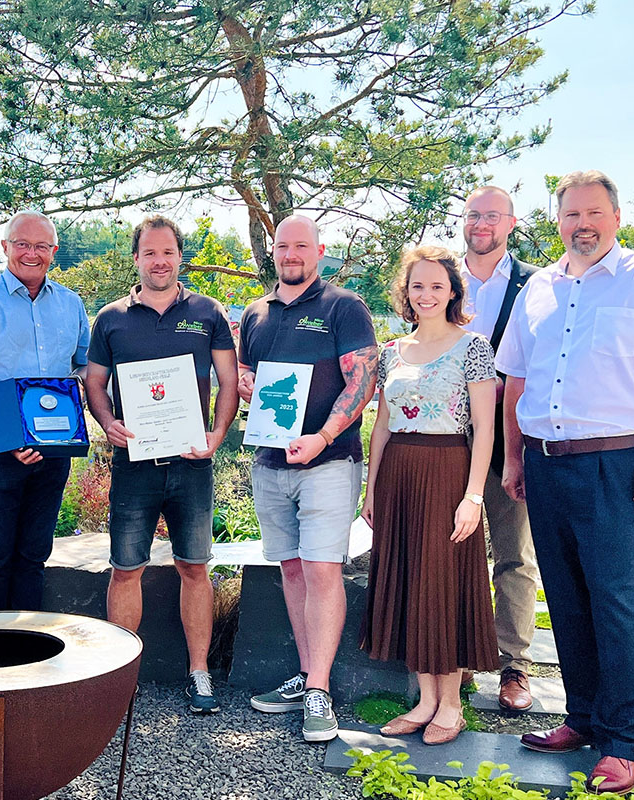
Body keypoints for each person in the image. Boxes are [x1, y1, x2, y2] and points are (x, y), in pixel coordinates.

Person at [497, 171, 634, 794]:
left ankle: (624, 741)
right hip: (545, 462)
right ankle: (583, 718)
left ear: (616, 216)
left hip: (618, 466)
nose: (581, 224)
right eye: (570, 214)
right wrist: (514, 459)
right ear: (556, 220)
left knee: (618, 605)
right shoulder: (537, 287)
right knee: (565, 600)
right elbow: (515, 379)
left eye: (593, 212)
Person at [84, 215, 239, 714]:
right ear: (136, 258)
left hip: (191, 464)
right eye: (150, 252)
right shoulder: (110, 318)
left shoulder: (208, 312)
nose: (160, 261)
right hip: (134, 463)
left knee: (195, 567)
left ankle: (200, 675)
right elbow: (94, 384)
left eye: (168, 252)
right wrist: (107, 421)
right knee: (125, 569)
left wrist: (217, 436)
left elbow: (229, 382)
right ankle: (119, 677)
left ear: (179, 257)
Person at [238, 214, 378, 742]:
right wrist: (249, 384)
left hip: (329, 461)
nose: (290, 254)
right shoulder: (256, 313)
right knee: (292, 570)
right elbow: (250, 373)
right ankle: (304, 675)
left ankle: (319, 691)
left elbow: (362, 382)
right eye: (282, 246)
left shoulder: (344, 307)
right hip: (271, 463)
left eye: (301, 246)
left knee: (322, 571)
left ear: (319, 251)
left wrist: (321, 436)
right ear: (273, 252)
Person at [360, 246, 499, 745]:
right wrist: (371, 490)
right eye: (417, 285)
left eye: (437, 286)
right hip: (398, 475)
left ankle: (452, 704)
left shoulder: (474, 347)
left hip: (448, 473)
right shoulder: (392, 351)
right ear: (406, 291)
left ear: (454, 291)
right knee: (409, 581)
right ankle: (424, 700)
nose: (426, 295)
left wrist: (474, 496)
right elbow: (381, 426)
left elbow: (485, 429)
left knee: (442, 583)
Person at [0, 210, 91, 611]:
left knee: (33, 558)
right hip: (0, 454)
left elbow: (85, 365)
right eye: (22, 244)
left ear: (54, 251)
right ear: (5, 247)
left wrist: (75, 402)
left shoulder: (70, 304)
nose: (32, 253)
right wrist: (12, 440)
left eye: (41, 246)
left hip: (55, 451)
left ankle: (27, 659)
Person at [458, 186, 540, 711]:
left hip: (511, 435)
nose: (481, 223)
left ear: (511, 223)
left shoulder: (539, 284)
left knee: (514, 556)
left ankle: (514, 666)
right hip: (449, 437)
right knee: (453, 550)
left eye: (492, 216)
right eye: (473, 215)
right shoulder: (441, 279)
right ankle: (458, 655)